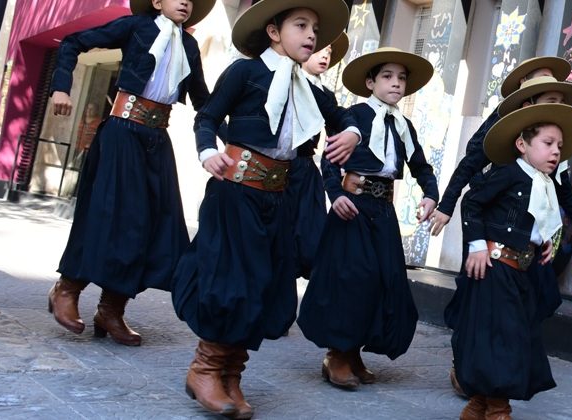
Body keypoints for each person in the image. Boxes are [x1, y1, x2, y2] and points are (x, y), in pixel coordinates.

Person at [170, 0, 357, 417]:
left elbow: (343, 116)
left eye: (315, 29)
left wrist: (353, 134)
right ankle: (205, 368)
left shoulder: (310, 87)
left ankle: (232, 375)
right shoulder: (246, 71)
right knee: (231, 283)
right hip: (236, 194)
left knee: (263, 285)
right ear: (274, 31)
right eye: (301, 25)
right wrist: (206, 152)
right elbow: (209, 116)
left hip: (279, 198)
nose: (312, 35)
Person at [428, 57, 572, 395]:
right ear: (527, 101)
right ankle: (468, 367)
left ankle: (504, 368)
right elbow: (469, 169)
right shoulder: (506, 138)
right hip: (491, 233)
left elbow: (564, 193)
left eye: (560, 101)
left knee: (533, 302)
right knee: (476, 302)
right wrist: (446, 206)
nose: (557, 106)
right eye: (548, 97)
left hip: (528, 242)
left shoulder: (551, 150)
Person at [47, 0, 214, 346]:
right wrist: (61, 87)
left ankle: (111, 308)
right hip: (122, 133)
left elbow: (205, 102)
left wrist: (230, 143)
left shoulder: (189, 46)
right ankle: (68, 287)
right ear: (156, 2)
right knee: (105, 213)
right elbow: (72, 42)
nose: (186, 1)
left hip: (156, 140)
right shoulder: (135, 27)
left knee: (152, 223)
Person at [297, 47, 438, 389]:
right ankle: (337, 354)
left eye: (401, 78)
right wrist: (338, 194)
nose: (396, 83)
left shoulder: (404, 126)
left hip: (384, 211)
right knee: (352, 279)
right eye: (387, 76)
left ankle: (354, 351)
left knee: (383, 280)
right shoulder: (355, 115)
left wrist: (431, 195)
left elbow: (420, 166)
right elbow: (329, 160)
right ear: (370, 82)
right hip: (353, 207)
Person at [455, 103, 572, 419]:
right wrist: (476, 246)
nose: (556, 151)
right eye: (548, 143)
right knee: (503, 337)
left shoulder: (545, 181)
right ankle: (498, 409)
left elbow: (530, 217)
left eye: (559, 146)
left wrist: (544, 240)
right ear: (522, 144)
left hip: (521, 269)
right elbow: (472, 202)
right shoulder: (510, 173)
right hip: (495, 267)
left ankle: (478, 404)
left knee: (512, 336)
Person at [287, 32, 349, 281]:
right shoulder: (284, 79)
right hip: (275, 167)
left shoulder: (327, 96)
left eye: (329, 51)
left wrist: (334, 189)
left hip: (305, 172)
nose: (325, 54)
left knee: (309, 242)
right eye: (321, 48)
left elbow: (333, 148)